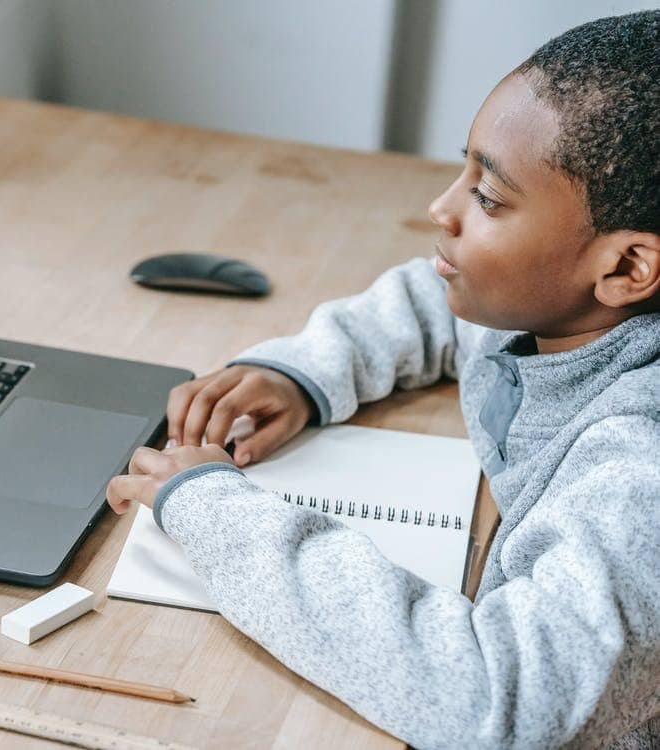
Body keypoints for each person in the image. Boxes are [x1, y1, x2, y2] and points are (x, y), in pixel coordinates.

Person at [106, 12, 659, 749]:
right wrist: (302, 371)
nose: (441, 209)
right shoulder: (554, 304)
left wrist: (213, 512)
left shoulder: (638, 471)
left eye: (487, 199)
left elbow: (499, 705)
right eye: (463, 170)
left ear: (625, 269)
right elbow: (443, 299)